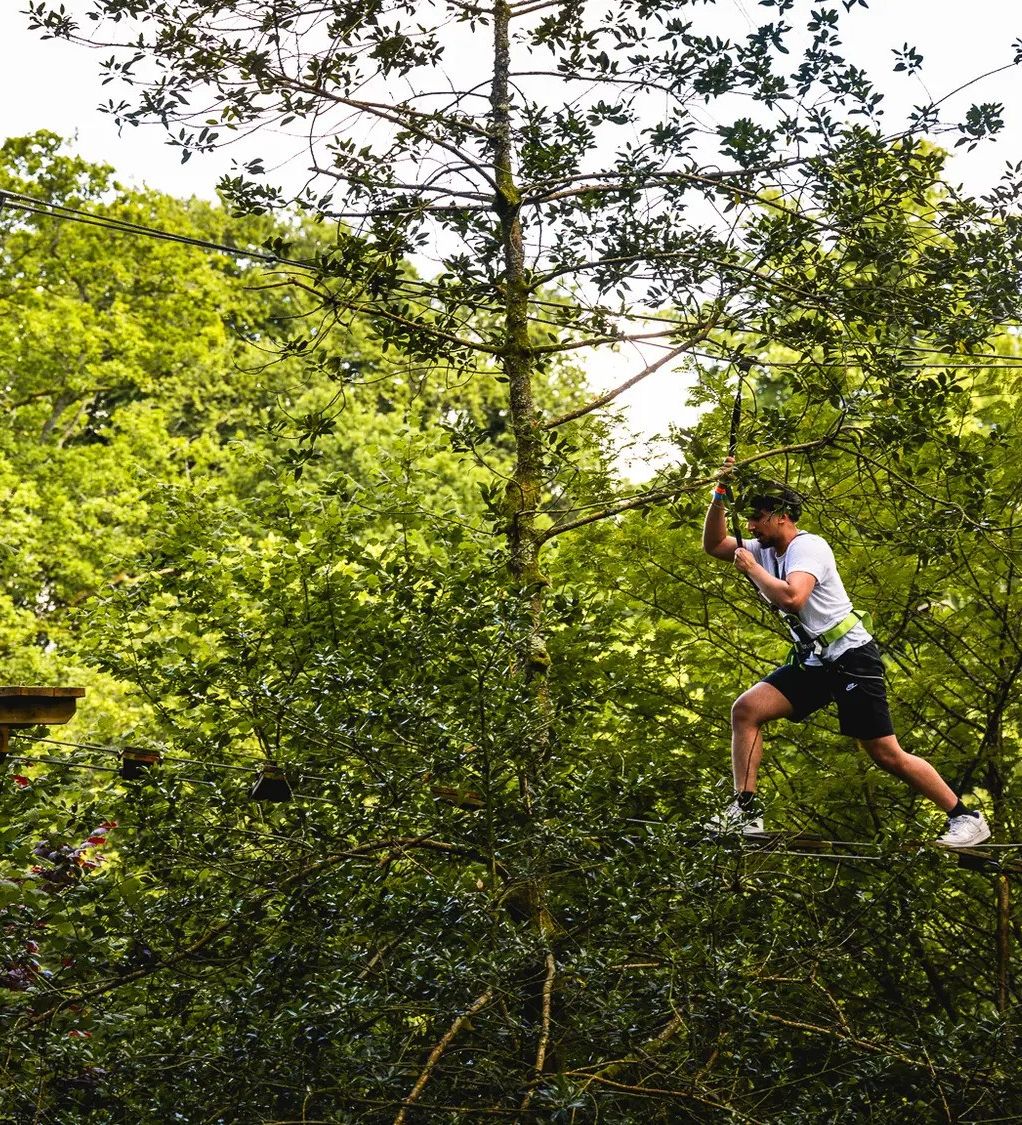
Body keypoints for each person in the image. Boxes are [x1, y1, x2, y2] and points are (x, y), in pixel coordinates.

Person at [701, 461, 990, 848]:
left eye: (757, 519)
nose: (750, 527)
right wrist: (720, 492)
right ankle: (747, 811)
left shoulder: (808, 546)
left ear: (782, 516)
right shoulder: (763, 548)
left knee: (884, 753)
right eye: (748, 521)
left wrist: (752, 569)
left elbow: (792, 597)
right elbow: (715, 545)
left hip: (852, 656)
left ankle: (965, 818)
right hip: (817, 661)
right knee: (746, 710)